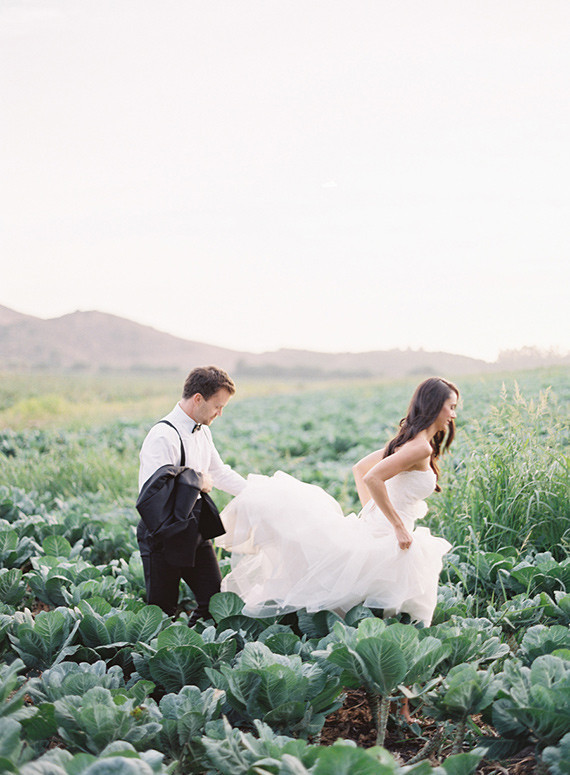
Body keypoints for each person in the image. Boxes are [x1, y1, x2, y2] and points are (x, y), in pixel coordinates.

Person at [217, 377, 458, 627]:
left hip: (382, 525)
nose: (453, 415)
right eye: (451, 407)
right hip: (391, 530)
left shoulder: (408, 442)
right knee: (389, 597)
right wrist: (396, 525)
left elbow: (360, 468)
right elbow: (371, 476)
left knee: (375, 594)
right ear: (434, 405)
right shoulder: (419, 448)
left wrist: (373, 513)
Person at [137, 365, 246, 623]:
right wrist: (199, 481)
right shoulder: (162, 435)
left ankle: (197, 642)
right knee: (162, 611)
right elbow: (153, 494)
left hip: (194, 527)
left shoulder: (203, 431)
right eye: (217, 406)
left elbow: (219, 473)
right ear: (198, 398)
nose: (220, 413)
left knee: (214, 603)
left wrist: (258, 492)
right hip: (163, 532)